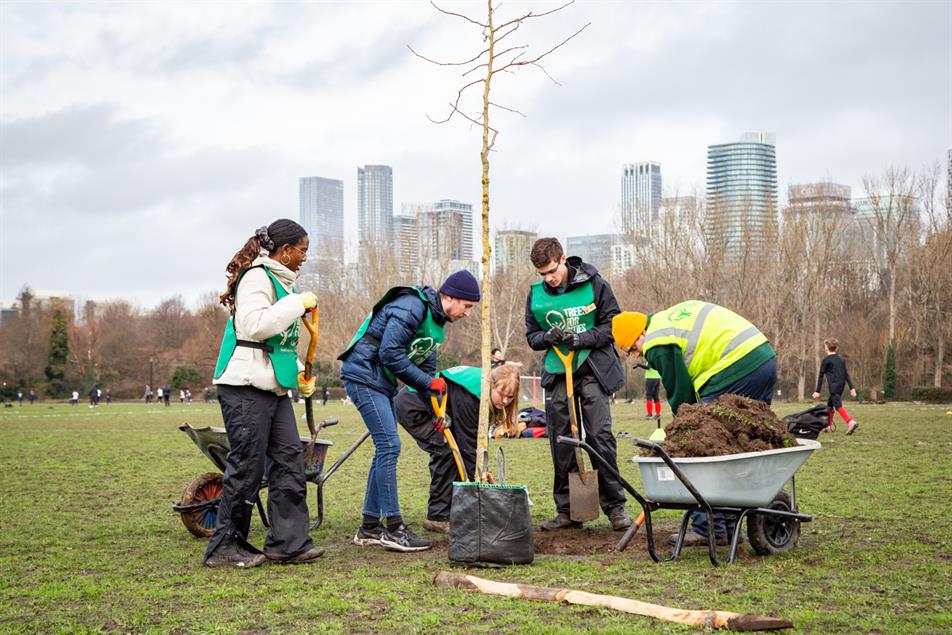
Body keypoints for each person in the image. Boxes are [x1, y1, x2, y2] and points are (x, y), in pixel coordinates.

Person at [205, 219, 323, 569]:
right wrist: (297, 304)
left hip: (272, 388)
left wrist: (298, 373)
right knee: (247, 465)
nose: (304, 258)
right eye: (302, 251)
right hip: (244, 387)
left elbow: (277, 343)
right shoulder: (256, 277)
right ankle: (224, 546)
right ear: (284, 251)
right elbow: (254, 326)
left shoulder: (283, 285)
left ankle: (288, 543)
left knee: (289, 459)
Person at [612, 301, 777, 547]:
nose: (636, 354)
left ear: (641, 333)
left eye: (632, 347)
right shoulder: (667, 320)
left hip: (734, 368)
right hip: (762, 358)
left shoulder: (657, 342)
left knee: (700, 444)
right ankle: (729, 525)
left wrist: (685, 427)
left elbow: (680, 392)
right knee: (736, 446)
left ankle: (707, 528)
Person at [339, 270, 480, 552]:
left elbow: (426, 372)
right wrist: (429, 383)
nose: (468, 313)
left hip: (382, 381)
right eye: (466, 306)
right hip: (363, 374)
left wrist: (436, 411)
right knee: (389, 446)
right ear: (449, 297)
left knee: (385, 448)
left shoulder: (436, 325)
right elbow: (389, 354)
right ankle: (394, 529)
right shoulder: (412, 306)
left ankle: (369, 527)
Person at [525, 237, 631, 532]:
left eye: (552, 270)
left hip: (593, 369)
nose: (549, 278)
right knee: (561, 441)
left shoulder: (595, 284)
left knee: (599, 436)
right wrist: (546, 337)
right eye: (543, 274)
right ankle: (568, 511)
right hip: (558, 372)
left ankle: (615, 506)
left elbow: (613, 325)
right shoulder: (536, 295)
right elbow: (531, 336)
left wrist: (582, 338)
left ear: (563, 259)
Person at [394, 364, 521, 533]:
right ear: (491, 385)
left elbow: (477, 443)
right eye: (501, 394)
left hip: (440, 411)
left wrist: (483, 471)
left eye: (510, 397)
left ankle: (452, 510)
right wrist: (479, 481)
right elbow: (467, 446)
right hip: (414, 407)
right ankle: (437, 517)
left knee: (453, 455)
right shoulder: (472, 396)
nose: (504, 401)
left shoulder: (483, 392)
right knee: (447, 453)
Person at [812, 338, 859, 435]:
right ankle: (828, 426)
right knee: (830, 405)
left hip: (833, 386)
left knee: (838, 406)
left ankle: (850, 422)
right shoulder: (841, 359)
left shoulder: (826, 360)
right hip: (841, 385)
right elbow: (846, 374)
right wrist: (852, 387)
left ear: (826, 347)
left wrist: (817, 391)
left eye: (825, 345)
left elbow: (821, 375)